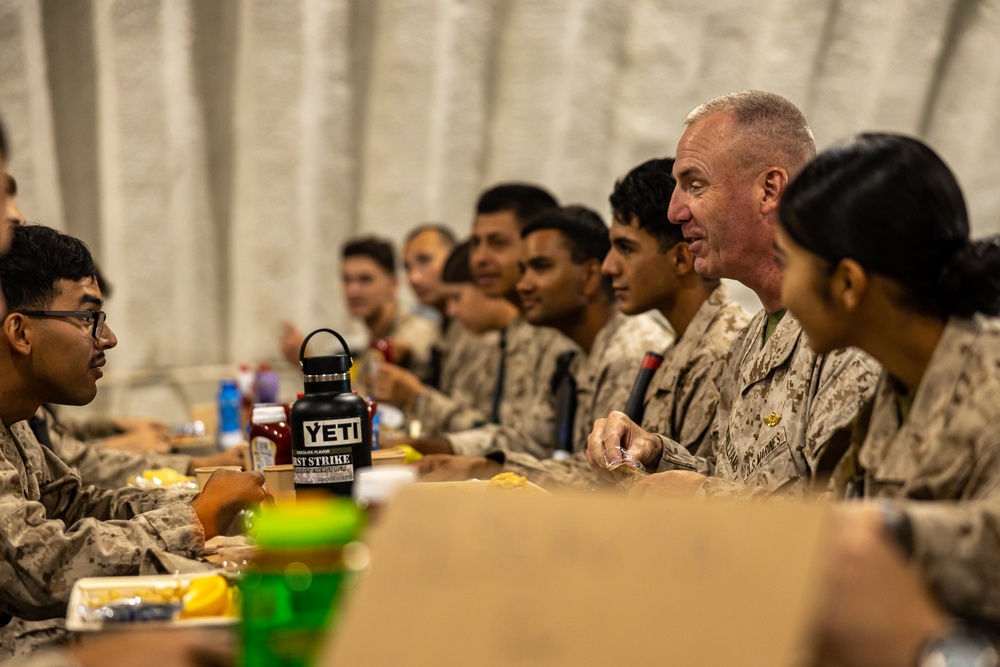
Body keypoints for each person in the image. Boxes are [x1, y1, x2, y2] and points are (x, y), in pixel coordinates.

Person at [587, 90, 880, 497]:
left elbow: (841, 516)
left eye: (695, 184)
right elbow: (739, 479)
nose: (675, 211)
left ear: (770, 189)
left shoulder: (850, 332)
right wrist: (655, 454)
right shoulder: (750, 341)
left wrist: (698, 496)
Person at [0, 225, 268, 658]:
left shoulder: (14, 422)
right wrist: (193, 520)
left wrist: (205, 502)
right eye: (89, 318)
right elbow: (38, 567)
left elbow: (76, 505)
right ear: (21, 332)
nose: (108, 338)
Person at [776, 133, 1000, 631]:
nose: (783, 291)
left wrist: (887, 531)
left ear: (848, 284)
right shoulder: (892, 391)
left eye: (786, 262)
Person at [420, 205, 667, 484]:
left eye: (541, 267)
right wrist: (472, 461)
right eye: (523, 270)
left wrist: (484, 468)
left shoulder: (630, 350)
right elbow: (537, 439)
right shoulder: (578, 353)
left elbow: (609, 478)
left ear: (588, 276)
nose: (523, 284)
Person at [392, 183, 576, 459]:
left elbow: (539, 445)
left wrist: (420, 406)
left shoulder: (558, 329)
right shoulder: (520, 328)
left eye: (498, 243)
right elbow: (512, 433)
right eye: (476, 242)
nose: (479, 258)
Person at [374, 241, 506, 435]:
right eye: (407, 268)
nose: (414, 277)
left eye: (424, 260)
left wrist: (416, 396)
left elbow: (484, 428)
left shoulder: (481, 333)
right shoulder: (445, 328)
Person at [280, 235, 438, 388]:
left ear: (393, 284)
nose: (352, 290)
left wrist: (311, 365)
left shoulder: (414, 329)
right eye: (347, 280)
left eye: (365, 279)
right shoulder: (373, 340)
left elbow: (415, 345)